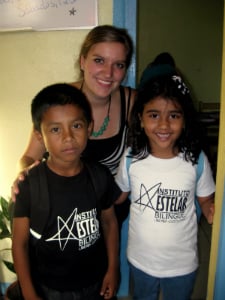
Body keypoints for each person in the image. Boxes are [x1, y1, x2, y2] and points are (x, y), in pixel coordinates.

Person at [12, 24, 135, 228]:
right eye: (99, 60)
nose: (108, 73)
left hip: (106, 215)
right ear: (82, 61)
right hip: (59, 213)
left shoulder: (132, 102)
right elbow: (28, 158)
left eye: (119, 65)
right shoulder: (59, 100)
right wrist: (23, 174)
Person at [12, 83, 121, 300]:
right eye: (55, 129)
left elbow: (109, 223)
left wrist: (113, 268)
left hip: (94, 284)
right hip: (49, 288)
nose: (68, 137)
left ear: (89, 127)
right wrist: (30, 294)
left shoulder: (100, 176)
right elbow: (19, 243)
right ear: (39, 136)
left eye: (77, 126)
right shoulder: (30, 185)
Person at [115, 75, 215, 300]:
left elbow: (206, 200)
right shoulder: (131, 158)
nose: (163, 125)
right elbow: (119, 195)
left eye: (174, 116)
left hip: (182, 263)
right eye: (153, 115)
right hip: (141, 260)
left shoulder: (196, 161)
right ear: (140, 118)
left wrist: (212, 210)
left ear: (185, 120)